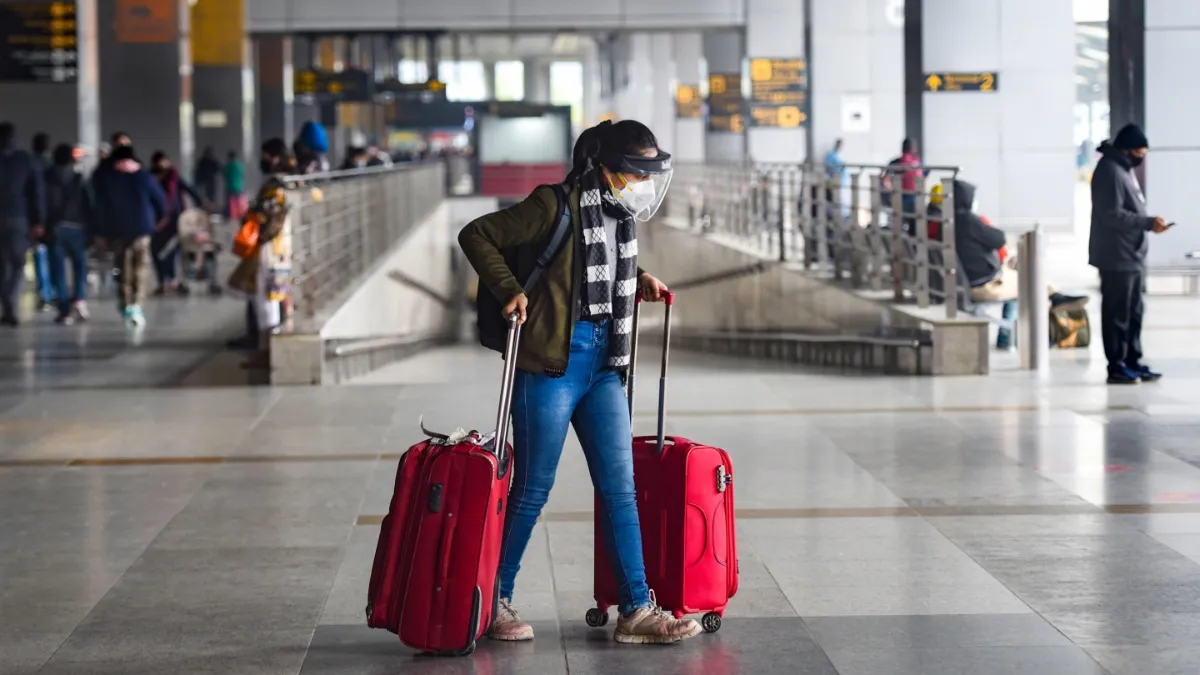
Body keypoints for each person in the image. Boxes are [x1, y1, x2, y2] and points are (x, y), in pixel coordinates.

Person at [459, 119, 701, 645]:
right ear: (607, 169)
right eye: (635, 174)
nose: (641, 186)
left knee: (621, 488)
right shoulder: (555, 204)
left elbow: (595, 269)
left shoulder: (619, 215)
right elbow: (477, 234)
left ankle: (636, 609)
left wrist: (638, 280)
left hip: (604, 367)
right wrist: (506, 290)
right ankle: (493, 600)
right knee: (531, 490)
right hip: (551, 364)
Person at [953, 180, 1088, 349]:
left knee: (1019, 273)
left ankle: (1054, 296)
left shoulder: (947, 220)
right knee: (1027, 282)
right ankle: (1011, 334)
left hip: (966, 281)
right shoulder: (967, 220)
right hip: (983, 285)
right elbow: (998, 239)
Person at [1090, 123, 1168, 385]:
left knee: (1134, 312)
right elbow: (1110, 214)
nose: (1141, 156)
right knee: (1117, 313)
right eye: (1139, 151)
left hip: (1131, 255)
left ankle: (1133, 360)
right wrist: (1146, 223)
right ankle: (1117, 364)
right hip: (1116, 257)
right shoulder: (1109, 171)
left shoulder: (1123, 169)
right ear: (1126, 150)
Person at [226, 138, 296, 364]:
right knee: (272, 297)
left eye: (265, 155)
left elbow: (270, 218)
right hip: (283, 248)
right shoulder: (292, 180)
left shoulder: (276, 186)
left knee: (265, 300)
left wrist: (256, 223)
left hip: (270, 250)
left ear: (273, 156)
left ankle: (266, 352)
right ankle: (267, 349)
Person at [91, 144, 165, 327]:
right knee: (141, 268)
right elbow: (161, 202)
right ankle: (137, 306)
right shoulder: (145, 177)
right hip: (142, 230)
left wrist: (101, 232)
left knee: (123, 268)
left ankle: (125, 302)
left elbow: (101, 208)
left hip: (118, 231)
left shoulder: (109, 179)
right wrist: (157, 221)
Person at [0, 122, 46, 326]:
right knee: (18, 263)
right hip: (18, 218)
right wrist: (38, 220)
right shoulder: (24, 160)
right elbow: (36, 192)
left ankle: (6, 302)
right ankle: (11, 301)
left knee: (2, 265)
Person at [44, 143, 92, 324]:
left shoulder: (47, 177)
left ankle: (64, 309)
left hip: (55, 227)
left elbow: (43, 202)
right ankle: (79, 299)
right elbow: (89, 204)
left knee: (57, 270)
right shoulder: (79, 179)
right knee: (80, 266)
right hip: (77, 227)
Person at [149, 151, 204, 295]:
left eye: (165, 162)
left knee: (171, 251)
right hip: (157, 222)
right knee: (156, 251)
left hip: (175, 221)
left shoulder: (174, 177)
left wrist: (201, 203)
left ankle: (172, 280)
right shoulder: (151, 178)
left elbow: (189, 189)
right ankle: (162, 282)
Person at [29, 131, 56, 311]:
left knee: (39, 254)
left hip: (35, 218)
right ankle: (52, 292)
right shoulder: (52, 165)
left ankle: (44, 293)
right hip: (53, 218)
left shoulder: (29, 164)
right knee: (53, 256)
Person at [223, 150, 246, 221]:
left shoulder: (228, 165)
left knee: (230, 203)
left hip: (230, 187)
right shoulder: (239, 166)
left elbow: (225, 174)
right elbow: (243, 175)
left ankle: (230, 216)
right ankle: (240, 216)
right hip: (239, 187)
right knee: (238, 202)